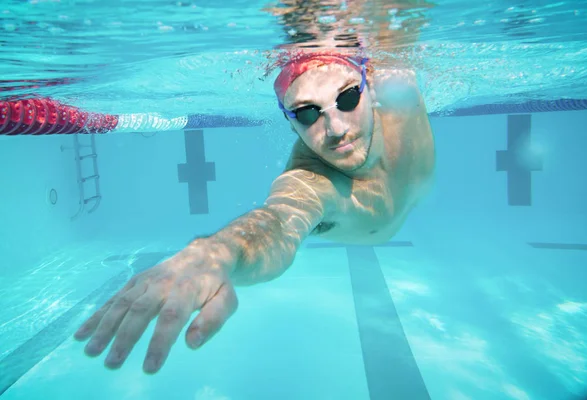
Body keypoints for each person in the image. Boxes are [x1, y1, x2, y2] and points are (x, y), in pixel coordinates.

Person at [73, 50, 435, 374]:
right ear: (291, 123)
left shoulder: (398, 88)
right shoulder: (312, 180)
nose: (336, 129)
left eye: (348, 97)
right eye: (308, 113)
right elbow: (278, 220)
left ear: (369, 89)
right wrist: (218, 253)